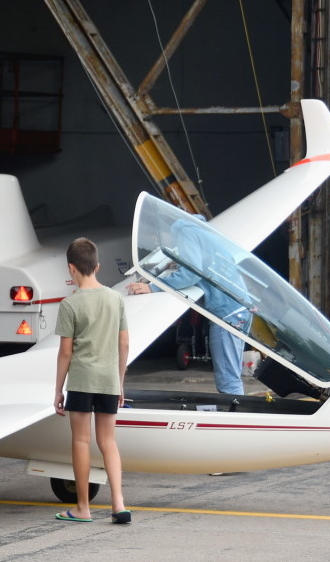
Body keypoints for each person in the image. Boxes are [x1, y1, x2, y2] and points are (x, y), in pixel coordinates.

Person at [53, 237, 131, 525]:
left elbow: (65, 352)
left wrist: (58, 389)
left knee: (81, 441)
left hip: (82, 380)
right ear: (97, 266)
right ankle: (118, 504)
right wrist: (119, 382)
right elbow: (124, 345)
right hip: (110, 379)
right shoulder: (116, 298)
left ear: (71, 268)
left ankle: (83, 508)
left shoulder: (69, 304)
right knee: (108, 441)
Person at [127, 217, 250, 394]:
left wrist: (153, 286)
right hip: (240, 308)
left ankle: (236, 420)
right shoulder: (200, 229)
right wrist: (179, 264)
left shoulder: (184, 233)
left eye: (157, 239)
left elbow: (192, 274)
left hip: (227, 314)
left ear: (164, 232)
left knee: (228, 382)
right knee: (232, 376)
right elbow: (206, 264)